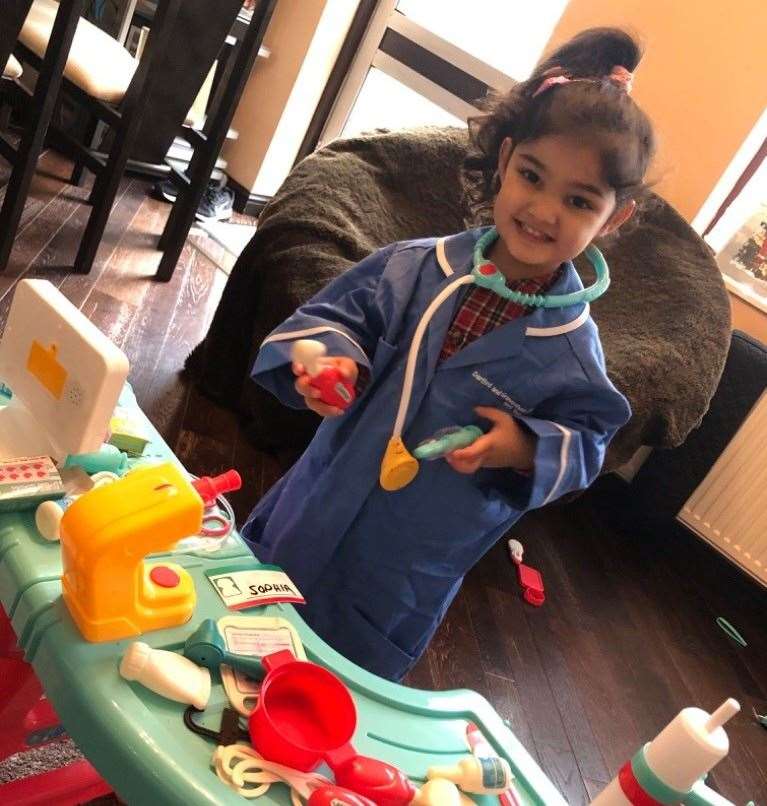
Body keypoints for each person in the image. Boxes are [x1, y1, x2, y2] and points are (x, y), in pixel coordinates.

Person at [241, 27, 655, 681]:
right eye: (531, 176)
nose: (543, 210)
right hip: (314, 506)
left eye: (578, 201)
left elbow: (590, 442)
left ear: (613, 219)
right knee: (242, 630)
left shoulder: (572, 356)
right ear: (506, 159)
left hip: (403, 563)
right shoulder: (413, 270)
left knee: (335, 683)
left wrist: (524, 446)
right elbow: (329, 319)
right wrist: (325, 363)